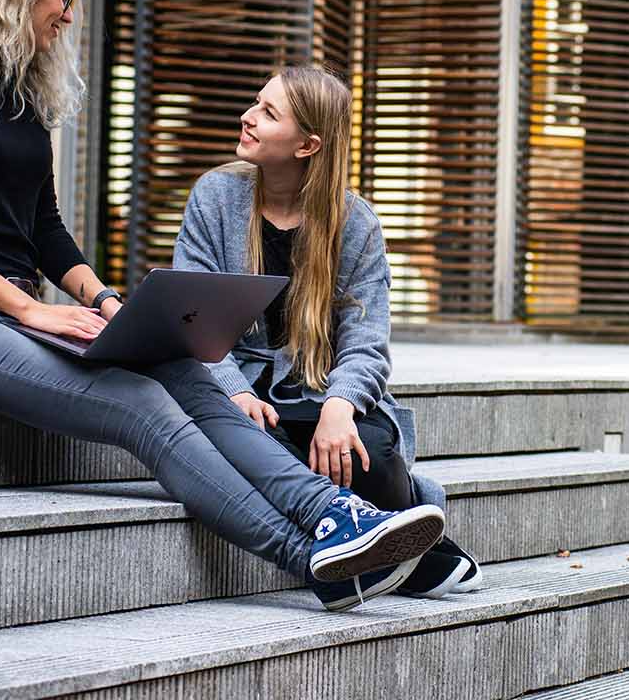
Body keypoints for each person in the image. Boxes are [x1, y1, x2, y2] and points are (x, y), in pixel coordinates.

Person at [0, 0, 443, 611]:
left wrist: (112, 305)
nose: (69, 10)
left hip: (20, 316)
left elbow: (47, 231)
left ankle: (334, 513)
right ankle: (311, 559)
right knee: (143, 404)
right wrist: (28, 306)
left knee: (181, 368)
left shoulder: (24, 94)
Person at [173, 65, 481, 600]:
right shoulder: (215, 196)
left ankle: (390, 535)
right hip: (237, 386)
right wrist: (235, 389)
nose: (247, 117)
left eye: (268, 113)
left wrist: (340, 406)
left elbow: (367, 340)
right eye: (255, 102)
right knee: (254, 446)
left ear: (307, 145)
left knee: (370, 453)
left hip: (317, 389)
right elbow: (190, 315)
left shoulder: (355, 221)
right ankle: (418, 553)